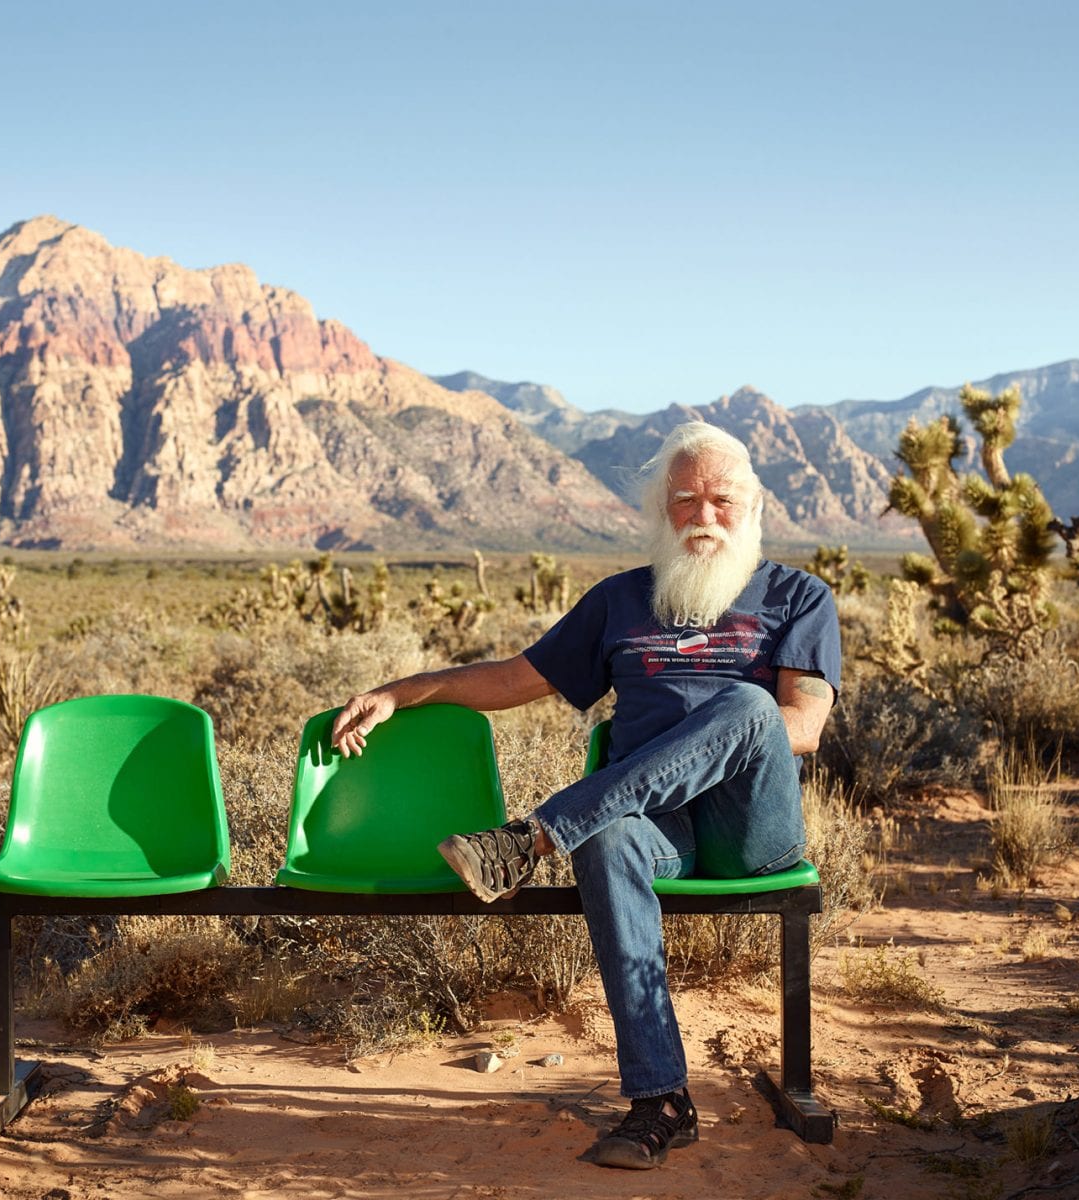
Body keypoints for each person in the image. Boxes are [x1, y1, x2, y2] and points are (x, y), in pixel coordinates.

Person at [331, 420, 841, 1171]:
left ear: (753, 506)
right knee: (604, 838)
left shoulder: (797, 597)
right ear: (660, 509)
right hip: (654, 827)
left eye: (722, 501)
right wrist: (400, 693)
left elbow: (801, 726)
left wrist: (738, 717)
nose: (703, 517)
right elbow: (513, 679)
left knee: (748, 707)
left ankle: (527, 840)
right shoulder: (622, 602)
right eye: (685, 500)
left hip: (749, 828)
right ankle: (660, 1101)